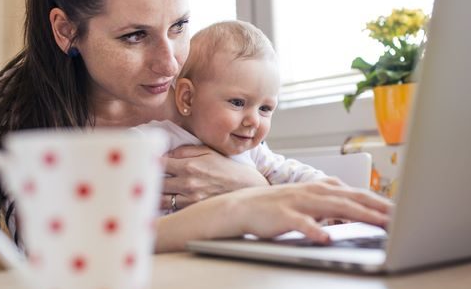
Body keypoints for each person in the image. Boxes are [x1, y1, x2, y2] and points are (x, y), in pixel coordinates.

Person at [0, 0, 391, 253]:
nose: (169, 63)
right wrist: (235, 208)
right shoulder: (13, 107)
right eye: (135, 36)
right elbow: (54, 256)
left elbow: (263, 170)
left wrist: (249, 186)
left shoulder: (198, 84)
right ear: (65, 30)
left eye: (179, 25)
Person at [136, 20, 336, 215]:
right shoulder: (158, 139)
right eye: (238, 103)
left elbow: (295, 175)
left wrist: (332, 197)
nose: (254, 121)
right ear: (188, 98)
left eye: (265, 108)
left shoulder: (256, 154)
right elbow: (111, 164)